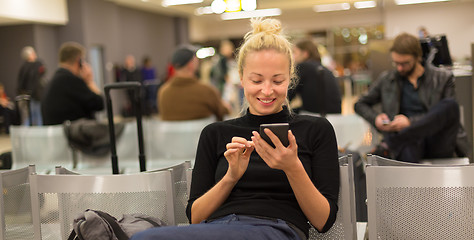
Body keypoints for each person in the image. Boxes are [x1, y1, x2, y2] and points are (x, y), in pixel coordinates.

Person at [132, 18, 339, 240]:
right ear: (241, 78)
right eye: (257, 80)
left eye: (277, 81)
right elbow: (195, 216)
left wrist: (292, 167)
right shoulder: (215, 133)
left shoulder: (316, 130)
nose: (267, 91)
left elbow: (323, 221)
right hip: (216, 228)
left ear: (290, 80)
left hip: (278, 229)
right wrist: (231, 176)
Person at [354, 32, 470, 163]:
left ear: (418, 57)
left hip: (436, 139)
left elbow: (444, 116)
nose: (399, 68)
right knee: (409, 144)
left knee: (450, 105)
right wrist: (376, 118)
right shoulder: (387, 80)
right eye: (396, 63)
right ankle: (397, 140)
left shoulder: (443, 78)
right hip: (408, 143)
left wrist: (410, 122)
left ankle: (391, 143)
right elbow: (359, 104)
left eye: (405, 63)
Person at [158, 45, 231, 121]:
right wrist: (226, 107)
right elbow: (223, 113)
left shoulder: (163, 93)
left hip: (173, 133)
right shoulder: (207, 91)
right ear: (191, 64)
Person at [42, 42, 104, 125]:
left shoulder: (54, 80)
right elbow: (100, 104)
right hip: (72, 135)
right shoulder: (70, 80)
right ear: (79, 61)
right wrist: (89, 81)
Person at [289, 39, 341, 115]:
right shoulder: (324, 69)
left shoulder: (303, 66)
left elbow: (289, 93)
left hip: (317, 115)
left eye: (295, 53)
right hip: (335, 115)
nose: (293, 57)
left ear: (305, 54)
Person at [17, 46, 46, 125]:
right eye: (33, 53)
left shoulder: (26, 67)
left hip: (32, 95)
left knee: (33, 115)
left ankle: (26, 132)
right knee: (35, 115)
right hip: (33, 95)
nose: (35, 54)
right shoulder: (34, 66)